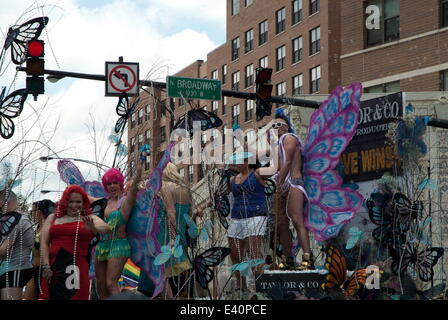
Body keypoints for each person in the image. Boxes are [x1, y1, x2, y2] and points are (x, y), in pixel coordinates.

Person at [39, 185, 110, 300]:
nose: (74, 205)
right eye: (70, 201)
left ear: (84, 202)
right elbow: (44, 243)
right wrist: (46, 266)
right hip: (53, 268)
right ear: (65, 202)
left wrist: (92, 227)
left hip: (76, 269)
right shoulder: (53, 217)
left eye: (78, 201)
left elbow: (106, 229)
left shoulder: (89, 217)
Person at [138, 162, 192, 298]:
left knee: (161, 275)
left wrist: (172, 238)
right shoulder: (185, 190)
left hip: (163, 236)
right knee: (175, 276)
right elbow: (189, 215)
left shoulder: (164, 187)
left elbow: (171, 213)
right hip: (181, 236)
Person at [93, 158, 144, 299]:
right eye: (109, 184)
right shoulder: (104, 202)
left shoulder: (125, 201)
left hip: (119, 244)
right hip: (102, 245)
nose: (112, 186)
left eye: (115, 182)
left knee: (111, 283)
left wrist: (138, 170)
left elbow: (134, 188)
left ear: (120, 183)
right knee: (101, 285)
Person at [274, 110, 313, 270]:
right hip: (283, 184)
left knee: (297, 221)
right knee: (282, 223)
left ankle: (307, 259)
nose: (276, 127)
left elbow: (288, 162)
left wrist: (279, 182)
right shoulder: (277, 143)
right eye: (274, 125)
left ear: (286, 126)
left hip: (294, 183)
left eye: (279, 124)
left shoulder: (289, 138)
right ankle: (288, 258)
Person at [227, 152, 271, 292]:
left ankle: (260, 288)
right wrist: (202, 207)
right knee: (235, 253)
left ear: (247, 161)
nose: (237, 163)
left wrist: (271, 151)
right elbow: (220, 195)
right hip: (237, 217)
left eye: (240, 160)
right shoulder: (232, 179)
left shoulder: (257, 173)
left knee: (253, 252)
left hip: (256, 215)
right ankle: (242, 287)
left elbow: (275, 169)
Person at [0, 189, 34, 300]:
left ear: (5, 202)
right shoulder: (13, 219)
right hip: (9, 268)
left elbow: (4, 249)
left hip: (14, 269)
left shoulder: (17, 220)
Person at [23, 199, 55, 300]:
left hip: (44, 270)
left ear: (39, 212)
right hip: (34, 269)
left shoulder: (49, 228)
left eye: (32, 211)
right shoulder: (37, 227)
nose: (31, 214)